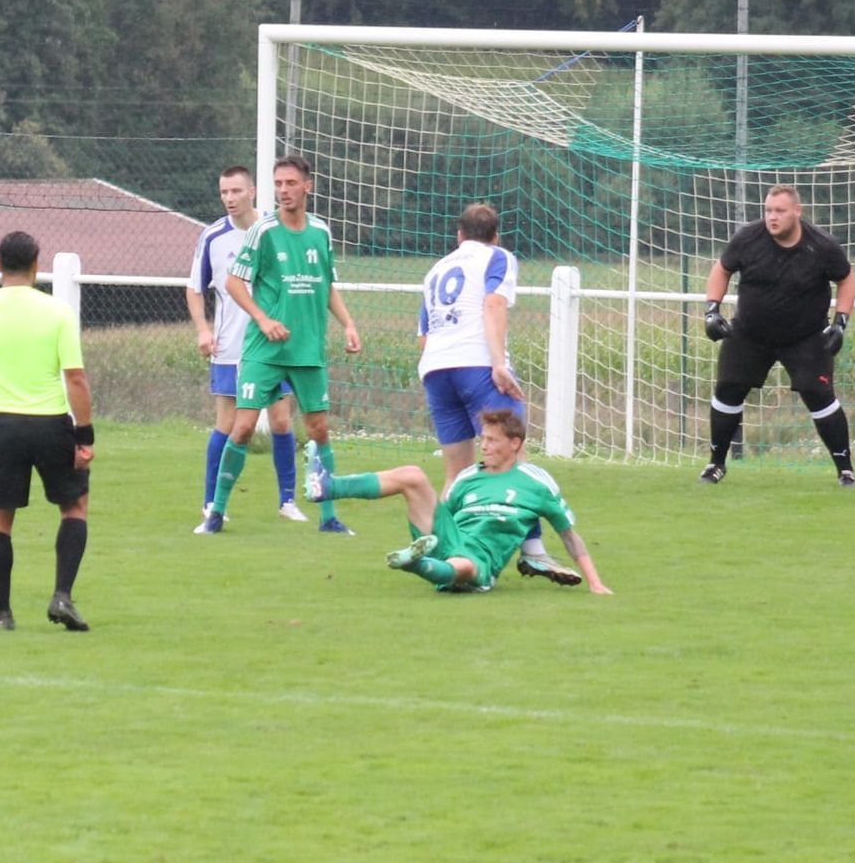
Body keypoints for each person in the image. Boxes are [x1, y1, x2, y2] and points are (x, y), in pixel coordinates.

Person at [196, 155, 361, 536]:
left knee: (319, 429)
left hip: (307, 350)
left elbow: (327, 285)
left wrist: (349, 323)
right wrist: (263, 319)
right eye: (279, 184)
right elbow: (235, 283)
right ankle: (216, 513)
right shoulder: (263, 231)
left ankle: (328, 516)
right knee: (243, 426)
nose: (284, 191)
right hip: (264, 350)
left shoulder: (321, 231)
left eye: (290, 183)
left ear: (308, 186)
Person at [417, 202, 577, 582]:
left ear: (458, 237)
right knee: (510, 452)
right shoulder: (498, 257)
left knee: (456, 472)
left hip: (436, 369)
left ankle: (442, 552)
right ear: (495, 236)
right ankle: (534, 553)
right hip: (476, 364)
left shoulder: (435, 269)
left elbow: (424, 334)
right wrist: (498, 363)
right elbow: (493, 304)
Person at [0, 230, 94, 631]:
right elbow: (76, 379)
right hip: (51, 425)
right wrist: (85, 437)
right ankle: (62, 595)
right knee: (74, 506)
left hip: (2, 427)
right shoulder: (57, 312)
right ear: (36, 265)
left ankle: (2, 615)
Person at [305, 408, 610, 594]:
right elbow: (443, 515)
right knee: (412, 475)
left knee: (462, 566)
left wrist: (594, 582)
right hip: (447, 536)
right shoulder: (467, 478)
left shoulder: (536, 482)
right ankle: (327, 486)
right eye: (483, 440)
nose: (484, 447)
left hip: (482, 558)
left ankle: (416, 563)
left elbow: (569, 535)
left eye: (492, 441)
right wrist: (433, 528)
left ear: (515, 444)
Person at [700, 184, 855, 487]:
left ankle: (846, 471)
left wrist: (840, 323)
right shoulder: (747, 238)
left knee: (819, 394)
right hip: (750, 333)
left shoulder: (822, 246)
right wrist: (712, 311)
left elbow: (846, 280)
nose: (772, 217)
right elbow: (721, 270)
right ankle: (715, 465)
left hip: (806, 336)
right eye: (768, 210)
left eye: (780, 211)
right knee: (729, 388)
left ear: (797, 212)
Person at [186, 164, 307, 531]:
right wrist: (203, 330)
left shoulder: (275, 230)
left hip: (274, 345)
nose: (229, 199)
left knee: (282, 420)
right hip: (231, 348)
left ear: (252, 192)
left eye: (236, 191)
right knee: (228, 422)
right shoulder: (213, 237)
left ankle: (288, 500)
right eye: (224, 192)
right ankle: (211, 503)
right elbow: (194, 289)